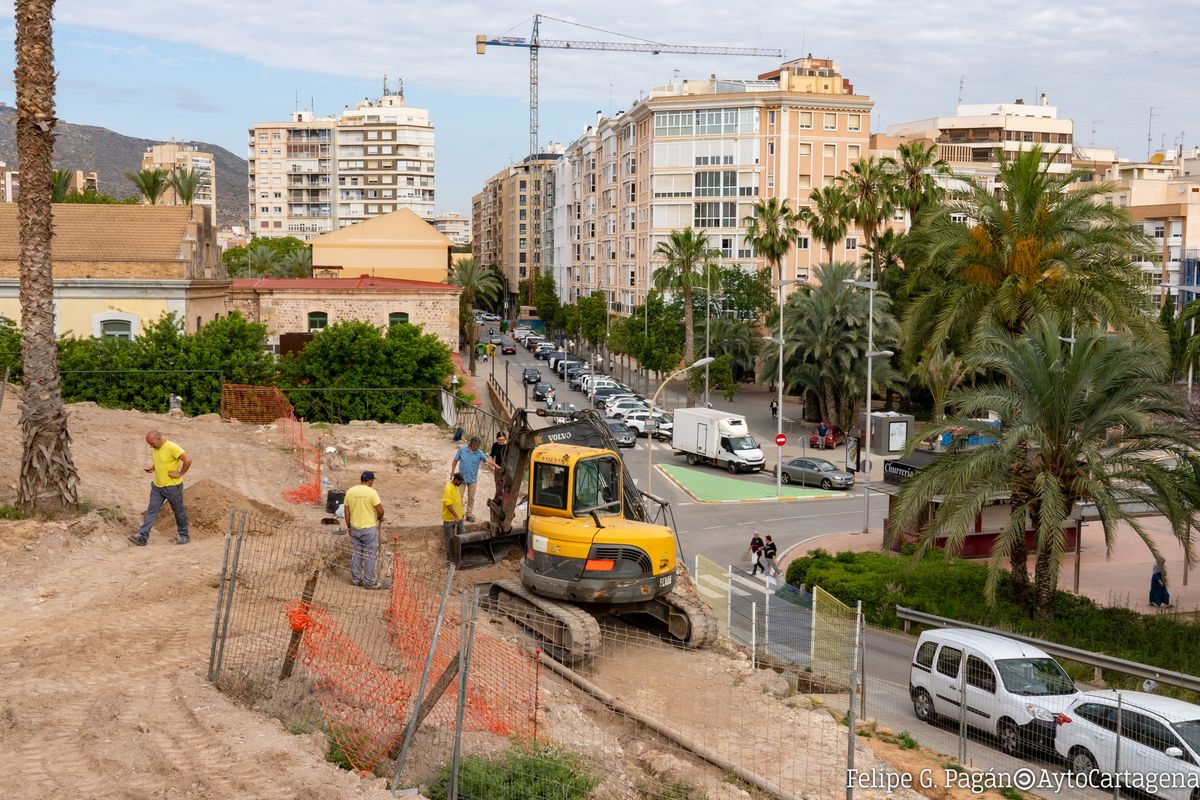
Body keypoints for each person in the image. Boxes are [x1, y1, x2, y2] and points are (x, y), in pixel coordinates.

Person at [129, 430, 192, 546]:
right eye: (149, 444)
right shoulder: (155, 447)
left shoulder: (172, 447)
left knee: (178, 511)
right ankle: (142, 536)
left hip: (172, 487)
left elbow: (188, 460)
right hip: (157, 486)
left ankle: (184, 535)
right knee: (151, 511)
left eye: (152, 443)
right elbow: (161, 461)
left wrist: (180, 473)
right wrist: (153, 467)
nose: (150, 446)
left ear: (158, 439)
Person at [344, 471, 388, 589]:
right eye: (373, 480)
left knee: (357, 553)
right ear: (369, 481)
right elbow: (380, 510)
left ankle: (356, 579)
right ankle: (369, 582)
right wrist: (380, 518)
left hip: (355, 528)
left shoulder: (350, 491)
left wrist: (349, 526)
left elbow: (346, 512)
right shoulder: (372, 492)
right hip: (368, 528)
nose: (373, 482)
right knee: (370, 555)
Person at [451, 436, 498, 522]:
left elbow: (487, 460)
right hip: (462, 479)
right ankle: (459, 513)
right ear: (471, 444)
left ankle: (469, 514)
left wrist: (496, 466)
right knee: (459, 496)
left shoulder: (479, 453)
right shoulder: (462, 450)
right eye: (476, 446)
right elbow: (455, 460)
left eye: (478, 446)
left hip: (473, 479)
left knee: (471, 497)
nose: (477, 448)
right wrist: (452, 472)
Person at [442, 473, 466, 554]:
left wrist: (461, 514)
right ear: (456, 479)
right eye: (460, 482)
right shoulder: (448, 488)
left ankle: (459, 553)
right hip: (449, 519)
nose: (460, 484)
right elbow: (448, 504)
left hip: (459, 518)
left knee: (462, 535)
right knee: (449, 539)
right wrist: (455, 515)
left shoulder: (456, 487)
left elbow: (458, 502)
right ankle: (450, 558)